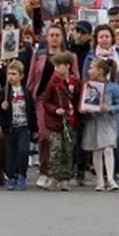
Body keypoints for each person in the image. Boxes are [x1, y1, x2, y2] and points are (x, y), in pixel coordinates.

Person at [81, 58, 119, 191]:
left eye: (92, 67)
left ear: (100, 71)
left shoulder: (113, 86)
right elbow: (84, 103)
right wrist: (84, 109)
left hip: (107, 121)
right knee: (97, 150)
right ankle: (99, 179)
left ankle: (110, 178)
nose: (89, 70)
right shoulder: (89, 86)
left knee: (108, 148)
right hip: (93, 121)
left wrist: (110, 108)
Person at [41, 51, 79, 192]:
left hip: (71, 121)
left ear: (67, 66)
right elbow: (46, 102)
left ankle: (65, 178)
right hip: (57, 122)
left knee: (68, 150)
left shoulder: (75, 83)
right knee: (56, 149)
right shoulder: (53, 84)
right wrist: (55, 109)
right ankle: (53, 177)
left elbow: (79, 100)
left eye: (59, 66)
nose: (56, 69)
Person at [0, 59, 36, 191]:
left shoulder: (26, 92)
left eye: (14, 74)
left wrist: (34, 128)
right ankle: (11, 176)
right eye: (9, 74)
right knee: (10, 153)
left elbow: (32, 110)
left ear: (21, 76)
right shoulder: (4, 92)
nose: (11, 77)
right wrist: (3, 108)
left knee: (23, 151)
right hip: (10, 128)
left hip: (23, 127)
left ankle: (22, 174)